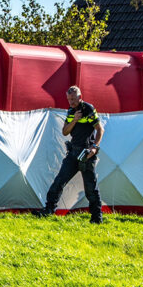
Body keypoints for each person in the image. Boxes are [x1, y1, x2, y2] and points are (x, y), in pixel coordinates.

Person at [38, 86, 105, 223]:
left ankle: (97, 217)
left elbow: (100, 130)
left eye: (73, 99)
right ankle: (49, 210)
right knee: (59, 181)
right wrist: (74, 120)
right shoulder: (70, 111)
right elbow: (65, 132)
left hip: (86, 153)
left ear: (80, 97)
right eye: (69, 99)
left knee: (90, 187)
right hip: (73, 151)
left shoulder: (89, 109)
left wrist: (94, 147)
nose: (71, 102)